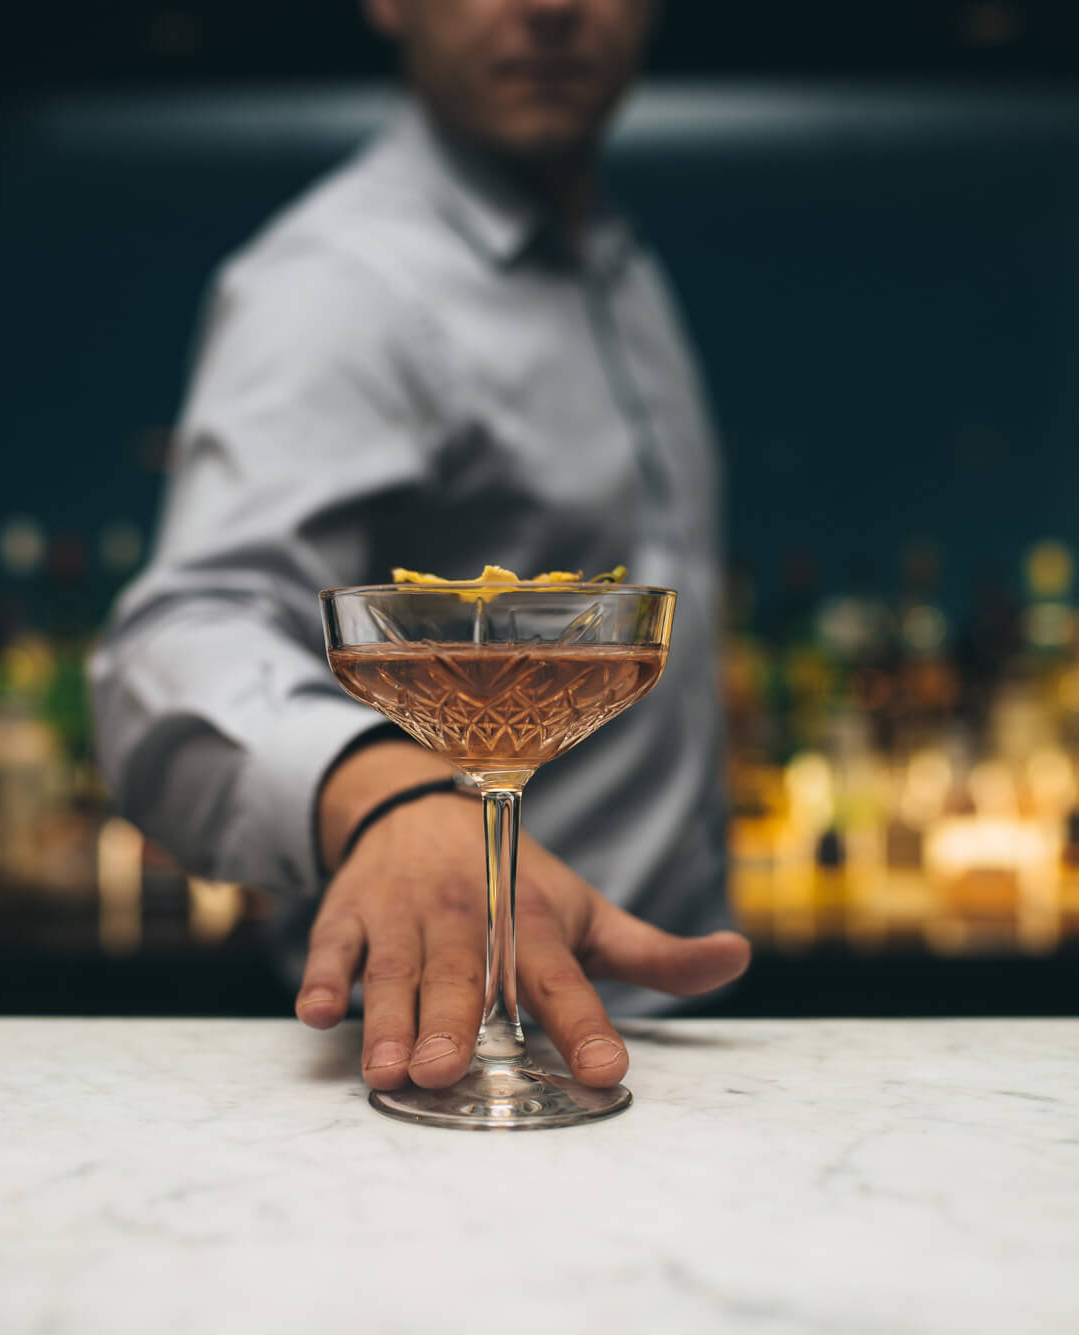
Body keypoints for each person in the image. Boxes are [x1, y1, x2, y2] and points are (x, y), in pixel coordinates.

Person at [90, 0, 749, 1096]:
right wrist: (384, 793)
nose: (548, 7)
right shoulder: (335, 286)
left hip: (671, 1045)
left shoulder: (617, 268)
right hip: (437, 1060)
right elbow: (178, 639)